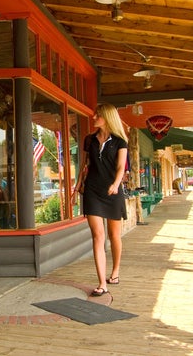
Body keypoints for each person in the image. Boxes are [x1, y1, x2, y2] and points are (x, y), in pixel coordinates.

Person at [72, 103, 128, 297]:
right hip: (93, 192)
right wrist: (78, 185)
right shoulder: (90, 140)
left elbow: (121, 167)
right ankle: (102, 282)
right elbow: (85, 165)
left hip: (113, 192)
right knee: (98, 236)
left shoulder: (120, 141)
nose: (94, 116)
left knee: (114, 236)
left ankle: (115, 272)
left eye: (98, 114)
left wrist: (115, 184)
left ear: (107, 117)